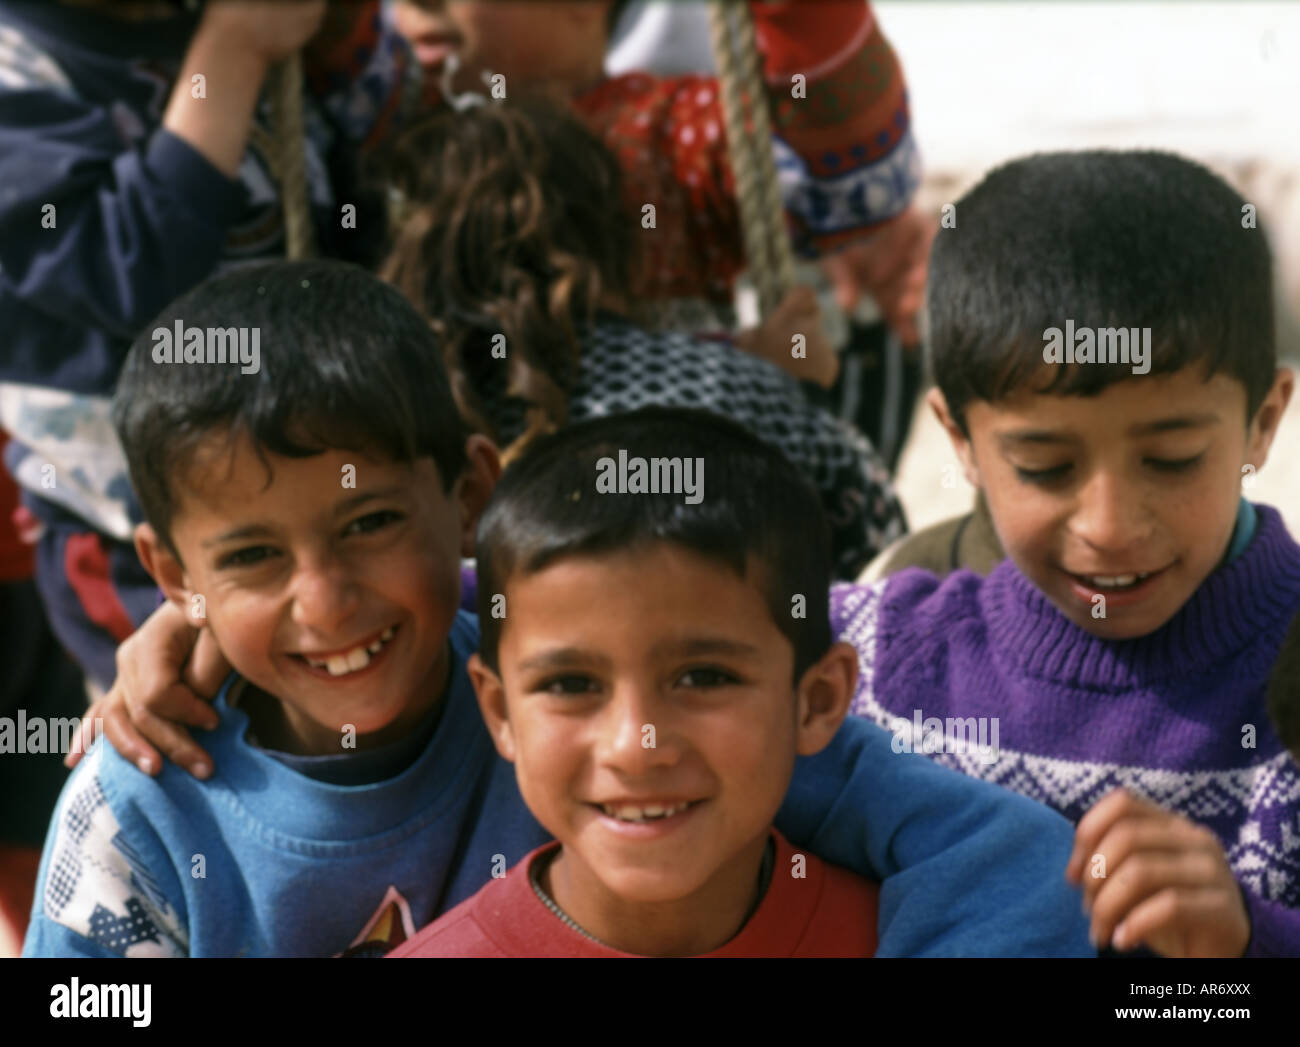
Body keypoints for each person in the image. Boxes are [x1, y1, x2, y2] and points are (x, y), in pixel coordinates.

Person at [26, 260, 1094, 957]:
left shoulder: (600, 699)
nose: (325, 601)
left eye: (368, 526)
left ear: (470, 497)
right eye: (253, 556)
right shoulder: (140, 803)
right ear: (172, 574)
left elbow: (980, 848)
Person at [831, 150, 1300, 957]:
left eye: (1173, 458)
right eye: (1045, 467)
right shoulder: (864, 668)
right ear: (962, 441)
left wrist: (1248, 939)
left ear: (1263, 421)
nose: (1110, 525)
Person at [0, 0, 420, 692]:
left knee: (370, 702)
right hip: (137, 536)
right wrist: (234, 49)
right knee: (205, 732)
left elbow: (397, 139)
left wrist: (343, 35)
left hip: (328, 481)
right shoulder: (18, 67)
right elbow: (127, 263)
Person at [392, 407, 879, 957]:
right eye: (571, 684)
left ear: (817, 701)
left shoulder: (918, 939)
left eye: (703, 677)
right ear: (501, 713)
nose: (635, 749)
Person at [381, 98, 904, 577]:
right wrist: (802, 395)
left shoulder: (394, 416)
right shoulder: (726, 392)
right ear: (613, 233)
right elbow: (879, 548)